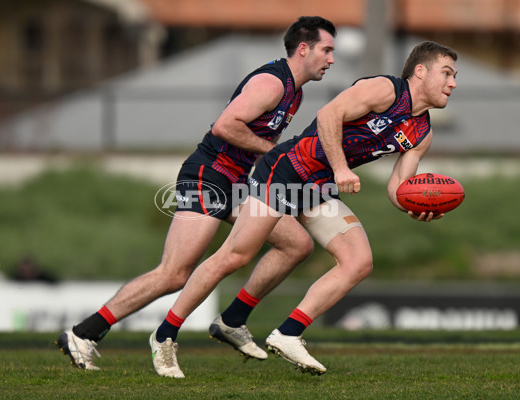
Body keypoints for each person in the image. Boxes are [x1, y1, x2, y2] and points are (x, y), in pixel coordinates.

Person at [151, 41, 458, 377]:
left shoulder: (422, 131)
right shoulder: (385, 89)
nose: (452, 83)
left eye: (454, 76)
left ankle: (288, 333)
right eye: (446, 73)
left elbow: (398, 187)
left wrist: (414, 206)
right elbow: (329, 115)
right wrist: (341, 169)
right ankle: (164, 335)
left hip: (318, 188)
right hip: (285, 171)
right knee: (236, 255)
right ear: (420, 71)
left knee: (359, 261)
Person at [56, 16, 336, 372]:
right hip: (209, 174)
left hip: (235, 181)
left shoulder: (295, 90)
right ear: (303, 49)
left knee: (297, 244)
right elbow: (224, 126)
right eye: (326, 50)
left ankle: (232, 320)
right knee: (174, 273)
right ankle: (84, 333)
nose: (331, 59)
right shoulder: (273, 83)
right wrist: (270, 152)